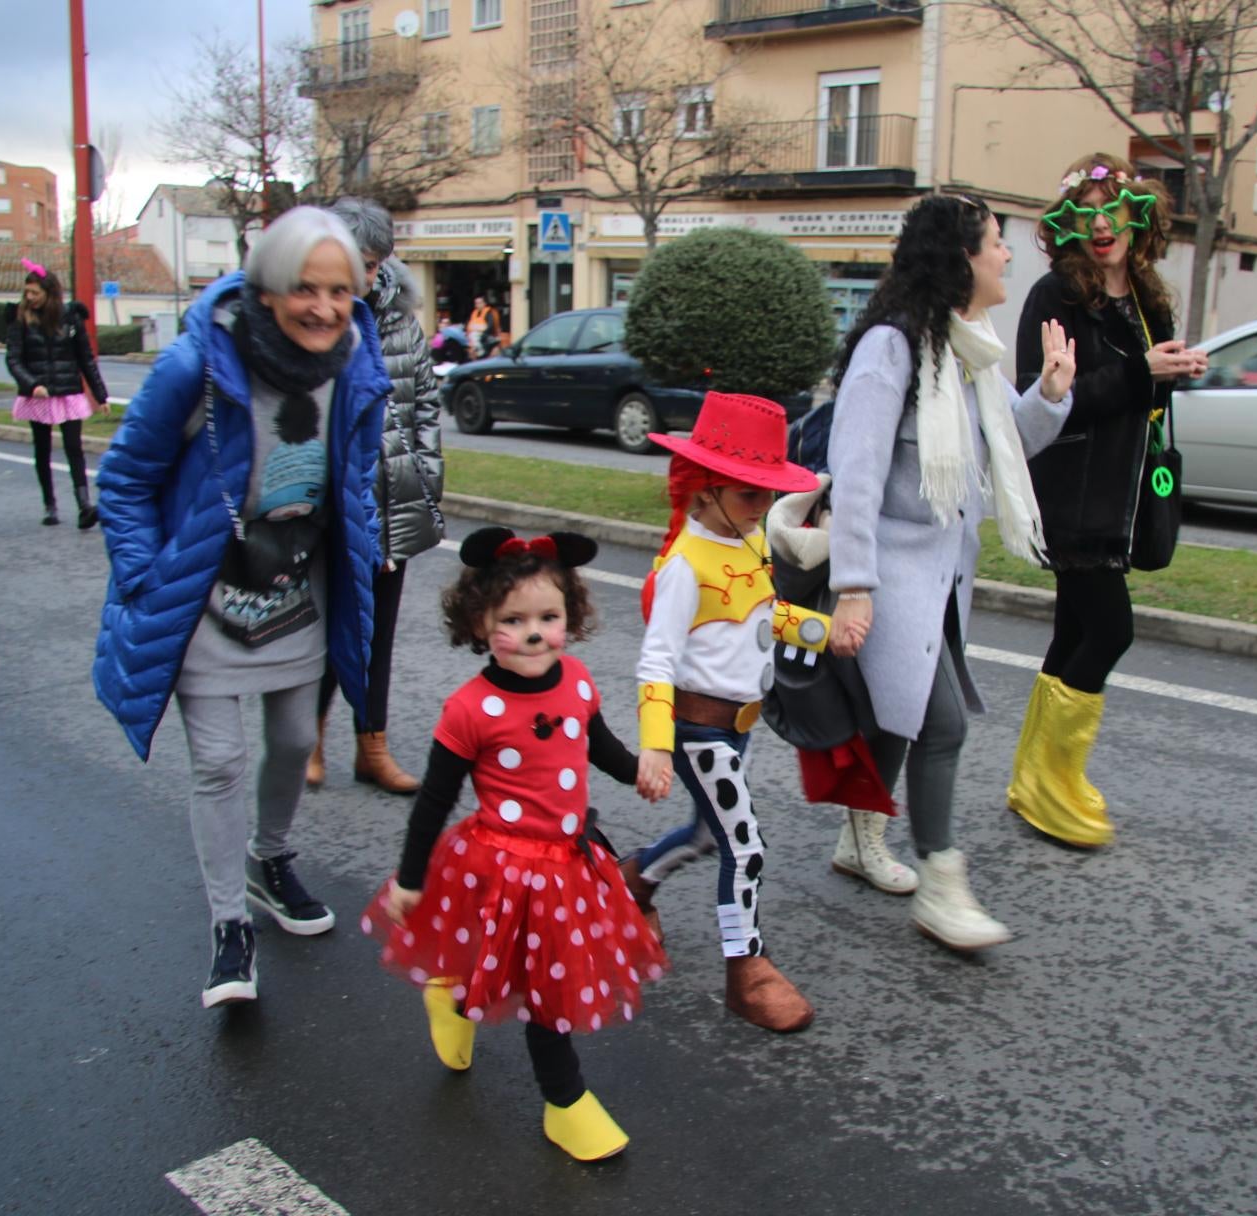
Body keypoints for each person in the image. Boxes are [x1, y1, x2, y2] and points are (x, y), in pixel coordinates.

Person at [91, 206, 389, 1009]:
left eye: (338, 289)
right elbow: (122, 479)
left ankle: (270, 858)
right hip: (202, 586)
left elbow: (353, 474)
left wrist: (360, 547)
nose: (323, 307)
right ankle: (230, 925)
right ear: (264, 293)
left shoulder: (358, 362)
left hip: (298, 581)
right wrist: (143, 573)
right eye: (303, 289)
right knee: (219, 761)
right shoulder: (196, 365)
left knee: (296, 737)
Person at [364, 527, 667, 1162]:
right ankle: (566, 1101)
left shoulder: (578, 681)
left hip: (567, 864)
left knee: (529, 974)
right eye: (514, 620)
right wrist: (411, 878)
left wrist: (637, 767)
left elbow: (595, 743)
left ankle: (451, 998)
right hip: (499, 862)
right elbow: (434, 802)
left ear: (570, 615)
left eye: (548, 616)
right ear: (480, 624)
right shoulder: (470, 709)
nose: (534, 633)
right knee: (540, 986)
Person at [826, 193, 1076, 952]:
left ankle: (859, 837)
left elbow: (1008, 439)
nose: (1007, 257)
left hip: (940, 574)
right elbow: (856, 473)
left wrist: (1053, 393)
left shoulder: (965, 347)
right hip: (892, 571)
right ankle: (942, 883)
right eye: (998, 243)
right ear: (961, 255)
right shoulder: (892, 349)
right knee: (941, 722)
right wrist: (854, 586)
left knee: (904, 713)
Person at [1008, 154, 1206, 850]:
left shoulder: (1149, 297)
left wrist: (1170, 374)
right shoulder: (1054, 296)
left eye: (1113, 212)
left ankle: (1036, 778)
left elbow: (1139, 392)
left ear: (1136, 219)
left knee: (1073, 633)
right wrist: (1135, 372)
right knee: (1111, 631)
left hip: (1123, 491)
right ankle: (1056, 790)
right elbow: (1044, 402)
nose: (1101, 226)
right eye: (1085, 213)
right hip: (1074, 493)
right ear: (1066, 226)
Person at [619, 391, 830, 1033]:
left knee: (710, 834)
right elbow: (657, 661)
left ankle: (634, 882)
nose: (762, 506)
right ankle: (748, 971)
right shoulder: (686, 564)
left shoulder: (749, 539)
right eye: (748, 494)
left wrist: (828, 632)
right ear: (705, 490)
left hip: (737, 726)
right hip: (696, 730)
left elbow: (765, 619)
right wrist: (655, 745)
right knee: (745, 846)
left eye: (767, 494)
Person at [307, 198, 446, 795]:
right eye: (358, 261)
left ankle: (373, 747)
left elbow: (424, 406)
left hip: (396, 501)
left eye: (375, 263)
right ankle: (306, 740)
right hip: (333, 506)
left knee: (377, 633)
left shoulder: (398, 319)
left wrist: (424, 486)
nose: (365, 277)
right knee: (324, 627)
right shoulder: (318, 314)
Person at [5, 261, 110, 528]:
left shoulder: (71, 318)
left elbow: (86, 358)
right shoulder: (20, 319)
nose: (30, 298)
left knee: (74, 448)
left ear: (49, 293)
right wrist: (31, 385)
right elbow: (13, 359)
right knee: (42, 449)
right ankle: (49, 505)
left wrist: (101, 395)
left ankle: (84, 505)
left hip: (67, 391)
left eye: (35, 293)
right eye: (27, 293)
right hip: (38, 393)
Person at [467, 293, 503, 357]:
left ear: (484, 303)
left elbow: (490, 325)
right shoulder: (474, 313)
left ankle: (481, 352)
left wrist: (483, 334)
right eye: (476, 303)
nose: (478, 305)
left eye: (480, 303)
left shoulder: (488, 313)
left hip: (485, 335)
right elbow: (469, 325)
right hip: (473, 336)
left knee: (475, 336)